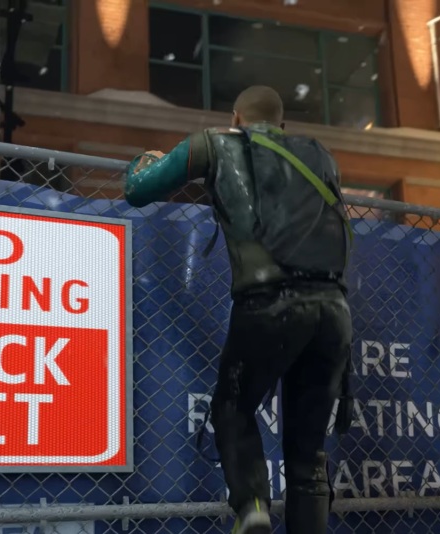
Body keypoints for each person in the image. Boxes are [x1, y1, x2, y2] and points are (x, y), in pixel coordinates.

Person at [124, 86, 353, 534]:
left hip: (269, 303)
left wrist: (146, 160)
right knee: (308, 452)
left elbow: (138, 189)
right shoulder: (320, 155)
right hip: (333, 310)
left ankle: (252, 509)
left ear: (236, 117)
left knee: (233, 407)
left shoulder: (214, 143)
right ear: (282, 126)